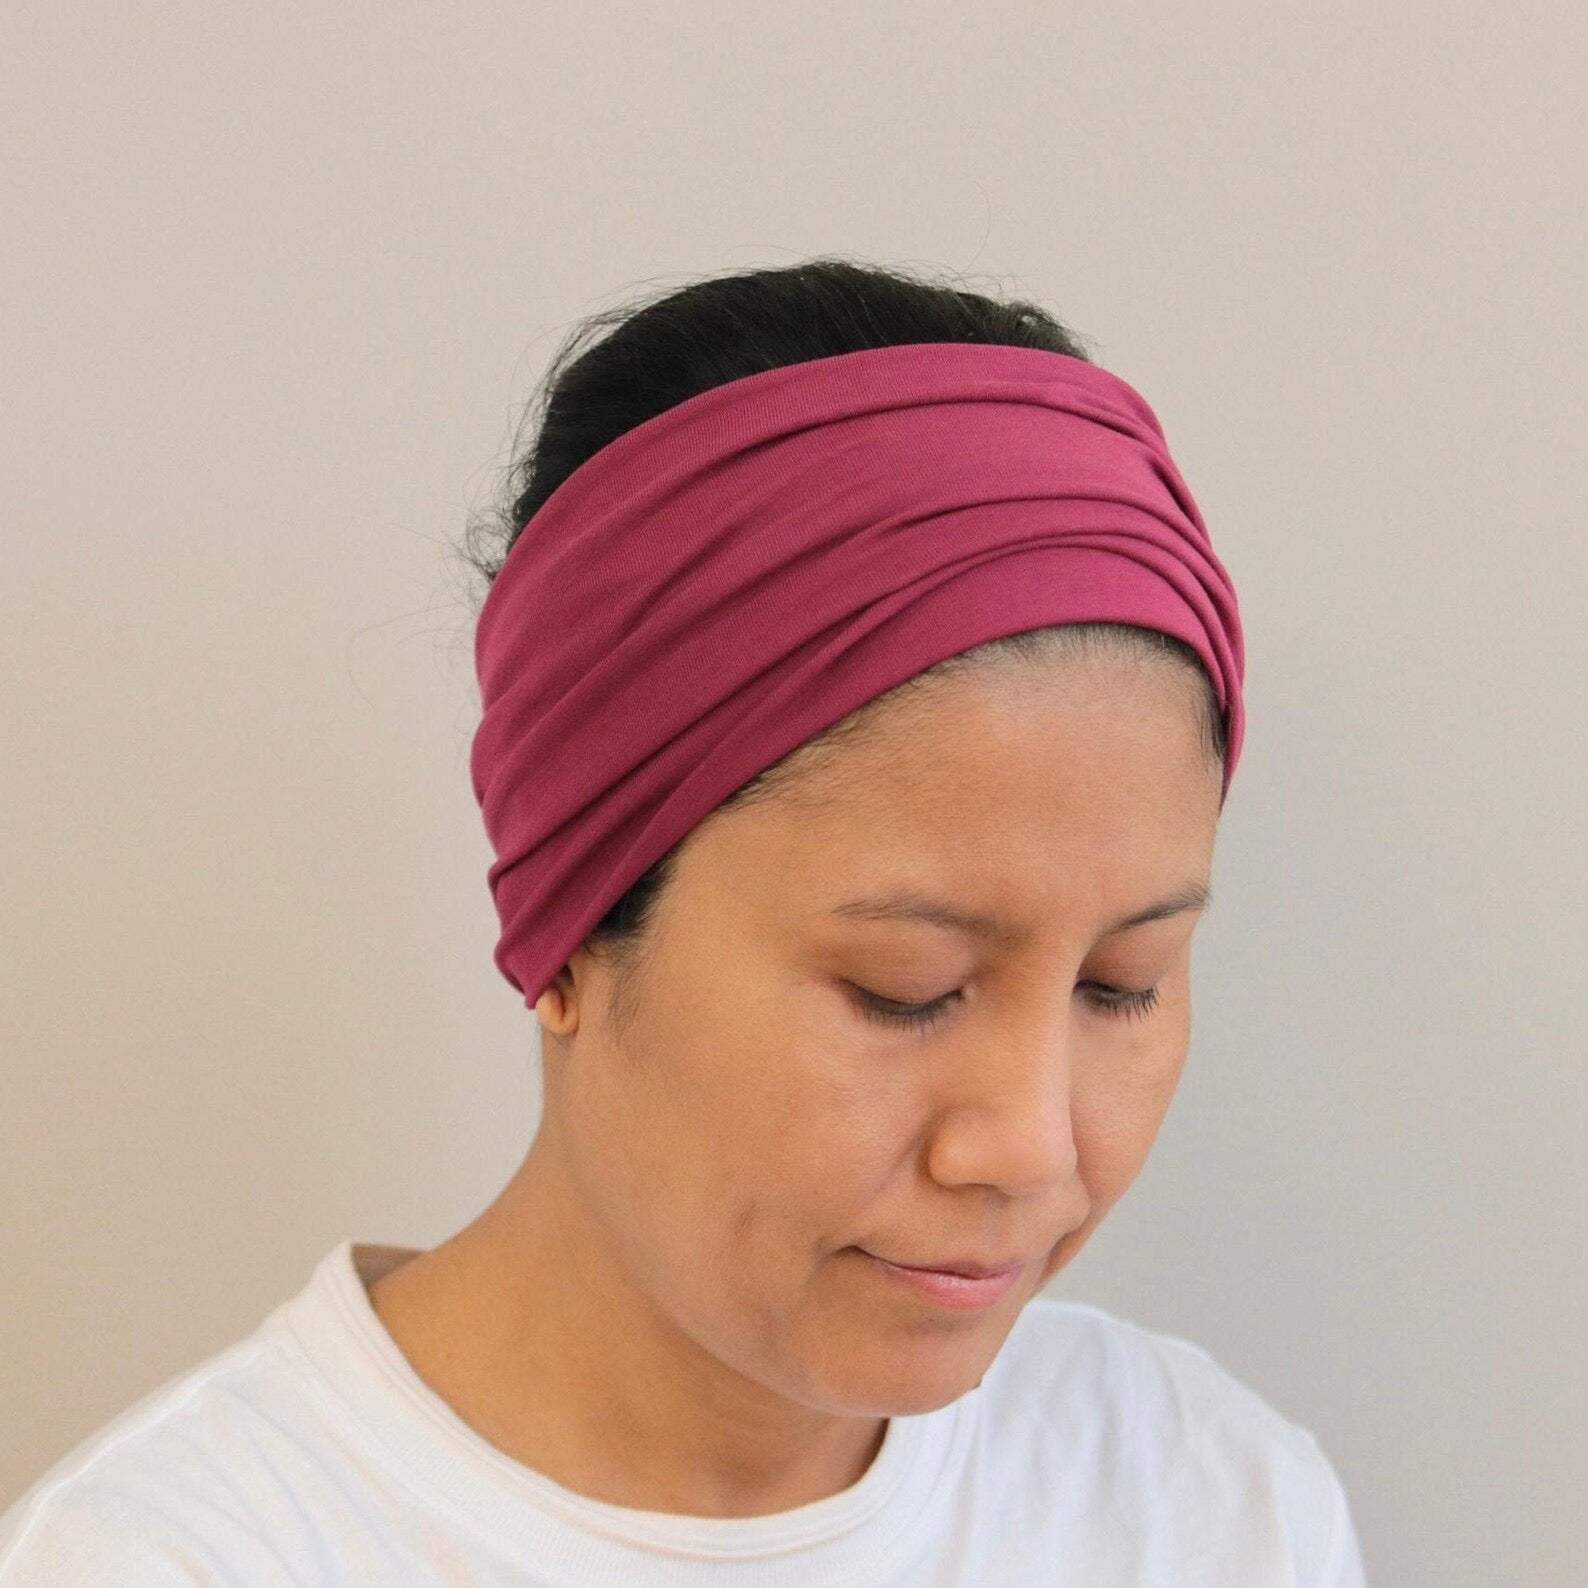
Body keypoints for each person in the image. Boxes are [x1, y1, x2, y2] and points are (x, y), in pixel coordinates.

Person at [0, 257, 1369, 1585]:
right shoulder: (177, 1561)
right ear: (572, 935)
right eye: (906, 988)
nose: (1031, 1145)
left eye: (1122, 982)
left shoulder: (1214, 1508)